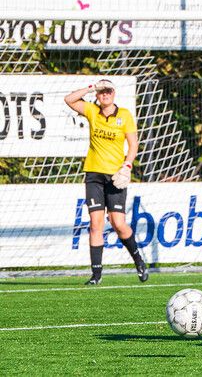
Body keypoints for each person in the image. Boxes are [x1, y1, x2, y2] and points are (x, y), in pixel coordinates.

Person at [64, 79, 148, 285]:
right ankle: (96, 275)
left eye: (108, 91)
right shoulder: (92, 111)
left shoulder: (125, 115)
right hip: (93, 175)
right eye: (102, 92)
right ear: (98, 95)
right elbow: (69, 99)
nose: (105, 95)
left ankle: (138, 260)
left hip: (116, 176)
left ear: (114, 93)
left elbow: (133, 144)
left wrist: (127, 166)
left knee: (118, 224)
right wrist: (91, 87)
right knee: (95, 224)